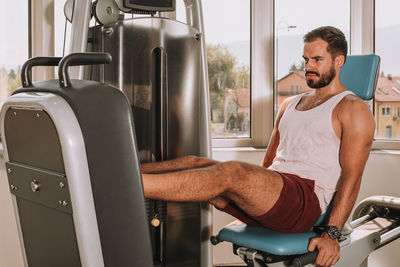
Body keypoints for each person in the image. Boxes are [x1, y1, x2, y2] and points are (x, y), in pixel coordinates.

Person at [141, 26, 375, 267]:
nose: (308, 67)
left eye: (317, 59)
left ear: (339, 61)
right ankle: (125, 171)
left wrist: (331, 235)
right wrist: (251, 205)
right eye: (305, 59)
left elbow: (352, 178)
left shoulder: (352, 108)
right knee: (194, 163)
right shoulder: (290, 104)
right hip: (275, 193)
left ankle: (123, 185)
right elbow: (267, 165)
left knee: (230, 173)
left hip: (304, 201)